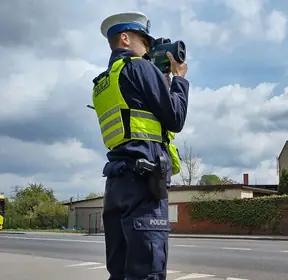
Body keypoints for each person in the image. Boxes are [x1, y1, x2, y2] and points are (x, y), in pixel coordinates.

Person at [91, 11, 189, 280]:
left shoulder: (103, 82)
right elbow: (175, 118)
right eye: (145, 43)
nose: (149, 50)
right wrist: (179, 78)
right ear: (125, 38)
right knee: (148, 273)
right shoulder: (139, 67)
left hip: (116, 184)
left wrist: (162, 80)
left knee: (120, 273)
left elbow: (137, 114)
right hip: (144, 184)